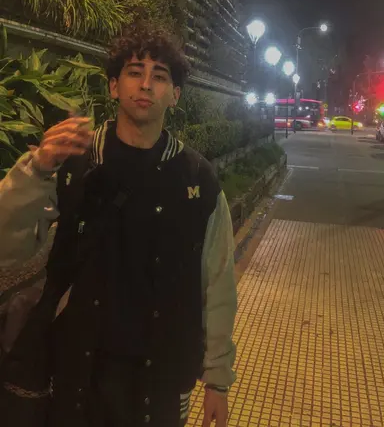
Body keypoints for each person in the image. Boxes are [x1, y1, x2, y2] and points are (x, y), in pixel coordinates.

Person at [0, 24, 237, 427]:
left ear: (175, 95)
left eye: (159, 76)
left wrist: (217, 378)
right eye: (134, 72)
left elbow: (218, 282)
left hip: (159, 378)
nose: (145, 84)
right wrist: (36, 169)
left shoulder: (198, 179)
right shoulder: (76, 161)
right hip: (76, 371)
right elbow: (8, 247)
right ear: (113, 86)